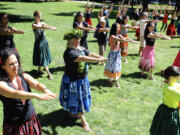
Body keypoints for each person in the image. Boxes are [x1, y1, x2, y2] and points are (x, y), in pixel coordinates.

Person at [0, 48, 56, 135]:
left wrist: (46, 90)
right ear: (3, 66)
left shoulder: (23, 76)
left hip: (30, 119)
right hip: (15, 126)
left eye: (16, 62)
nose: (15, 66)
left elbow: (36, 84)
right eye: (11, 64)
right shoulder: (1, 84)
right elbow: (15, 93)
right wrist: (36, 95)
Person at [59, 30, 107, 131]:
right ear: (72, 40)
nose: (79, 40)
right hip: (73, 80)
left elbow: (90, 53)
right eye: (77, 38)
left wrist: (100, 57)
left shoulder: (80, 48)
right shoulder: (69, 52)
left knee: (79, 99)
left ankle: (74, 112)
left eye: (79, 38)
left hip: (82, 79)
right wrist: (99, 60)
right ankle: (83, 121)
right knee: (79, 100)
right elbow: (83, 58)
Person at [104, 23, 137, 88]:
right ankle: (116, 82)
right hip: (113, 54)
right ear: (114, 28)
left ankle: (111, 79)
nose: (119, 28)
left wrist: (131, 40)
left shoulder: (118, 35)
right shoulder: (112, 36)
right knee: (113, 67)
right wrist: (128, 40)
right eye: (118, 27)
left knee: (115, 67)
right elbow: (120, 40)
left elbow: (124, 38)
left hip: (117, 53)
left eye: (119, 27)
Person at [150, 66, 180, 135]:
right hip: (168, 114)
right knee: (165, 131)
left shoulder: (173, 84)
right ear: (172, 77)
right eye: (178, 77)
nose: (179, 78)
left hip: (171, 111)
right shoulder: (168, 89)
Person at [32, 10, 56, 80]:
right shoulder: (33, 25)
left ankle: (39, 70)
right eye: (39, 16)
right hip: (38, 43)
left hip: (44, 42)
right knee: (43, 57)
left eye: (40, 16)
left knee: (43, 56)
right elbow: (40, 27)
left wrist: (52, 27)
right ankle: (49, 74)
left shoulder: (42, 23)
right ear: (35, 16)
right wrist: (50, 28)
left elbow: (47, 25)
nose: (40, 17)